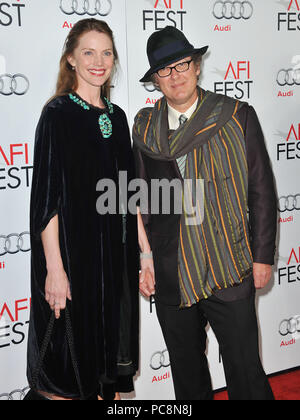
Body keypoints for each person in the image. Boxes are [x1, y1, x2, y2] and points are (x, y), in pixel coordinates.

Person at [133, 26, 277, 400]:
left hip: (229, 262)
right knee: (187, 373)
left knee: (245, 369)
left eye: (182, 64)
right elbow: (141, 199)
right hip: (172, 269)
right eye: (164, 70)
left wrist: (263, 257)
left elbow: (261, 189)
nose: (175, 76)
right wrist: (143, 258)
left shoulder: (235, 116)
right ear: (155, 80)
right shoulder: (145, 129)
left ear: (196, 66)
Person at [27, 19, 139, 400]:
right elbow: (46, 200)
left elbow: (129, 193)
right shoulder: (57, 114)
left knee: (107, 373)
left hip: (115, 263)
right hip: (73, 262)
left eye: (106, 52)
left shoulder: (119, 117)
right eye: (88, 52)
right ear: (71, 59)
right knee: (65, 376)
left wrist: (147, 252)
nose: (98, 61)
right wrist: (55, 270)